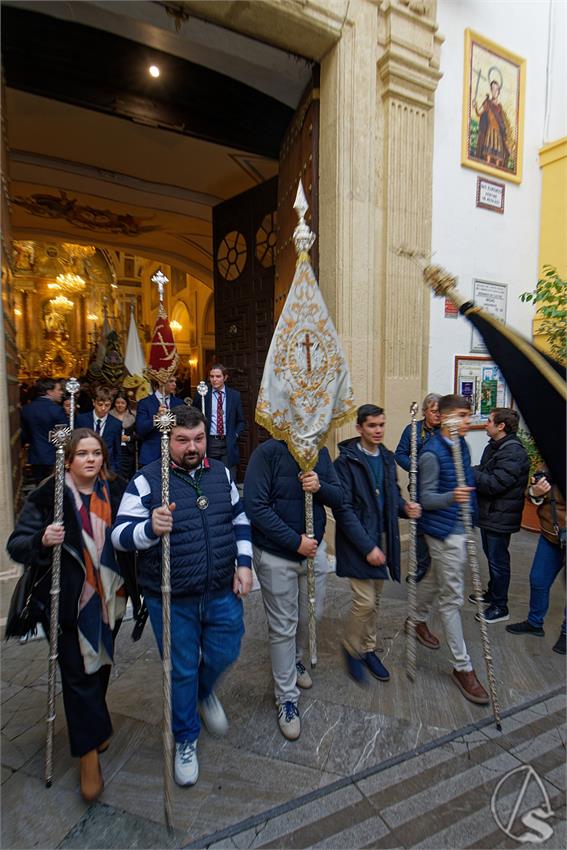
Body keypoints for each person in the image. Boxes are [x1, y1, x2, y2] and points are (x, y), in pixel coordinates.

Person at [111, 406, 252, 787]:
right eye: (183, 440)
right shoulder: (145, 481)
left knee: (227, 650)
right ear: (167, 439)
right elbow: (118, 535)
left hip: (221, 587)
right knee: (182, 669)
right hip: (171, 596)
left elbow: (239, 520)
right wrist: (149, 528)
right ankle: (186, 739)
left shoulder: (221, 473)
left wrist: (244, 563)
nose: (193, 447)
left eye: (199, 438)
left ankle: (202, 695)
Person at [6, 430, 130, 802]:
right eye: (82, 454)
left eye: (96, 453)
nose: (90, 460)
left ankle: (97, 723)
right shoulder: (49, 495)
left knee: (101, 664)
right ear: (68, 460)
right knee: (77, 675)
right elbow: (17, 545)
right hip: (67, 602)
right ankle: (88, 756)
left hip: (112, 596)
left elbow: (132, 532)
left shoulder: (117, 490)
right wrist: (43, 540)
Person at [244, 438, 342, 741]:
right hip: (277, 555)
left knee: (310, 615)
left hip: (313, 553)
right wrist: (293, 541)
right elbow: (255, 507)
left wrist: (319, 487)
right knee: (283, 627)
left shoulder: (320, 452)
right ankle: (286, 698)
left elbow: (339, 496)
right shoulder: (267, 453)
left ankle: (296, 659)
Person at [333, 405, 421, 685]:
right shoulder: (345, 463)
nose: (379, 430)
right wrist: (367, 547)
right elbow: (343, 510)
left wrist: (406, 508)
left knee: (377, 601)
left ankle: (368, 649)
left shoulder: (386, 458)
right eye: (372, 425)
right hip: (358, 543)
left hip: (384, 538)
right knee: (365, 601)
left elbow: (391, 496)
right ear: (359, 428)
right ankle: (350, 648)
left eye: (382, 424)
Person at [413, 394, 490, 705]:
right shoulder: (431, 454)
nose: (467, 421)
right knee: (452, 598)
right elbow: (426, 499)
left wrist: (469, 515)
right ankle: (463, 666)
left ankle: (415, 617)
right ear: (444, 417)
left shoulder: (462, 445)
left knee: (435, 580)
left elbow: (467, 484)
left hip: (460, 527)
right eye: (462, 415)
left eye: (469, 416)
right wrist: (452, 498)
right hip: (443, 532)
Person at [470, 408, 530, 623]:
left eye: (489, 421)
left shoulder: (512, 452)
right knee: (492, 556)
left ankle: (500, 606)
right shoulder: (496, 446)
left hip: (500, 516)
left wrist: (470, 472)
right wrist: (475, 471)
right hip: (492, 513)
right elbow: (486, 471)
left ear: (501, 426)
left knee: (498, 561)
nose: (486, 424)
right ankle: (492, 593)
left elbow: (494, 484)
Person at [506, 471, 566, 654]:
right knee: (538, 579)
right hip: (551, 534)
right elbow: (530, 493)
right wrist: (536, 492)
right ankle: (534, 622)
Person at [395, 393, 441, 582]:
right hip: (418, 486)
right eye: (434, 411)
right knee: (419, 526)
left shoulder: (445, 432)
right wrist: (414, 466)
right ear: (424, 412)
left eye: (441, 412)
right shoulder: (412, 429)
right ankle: (422, 564)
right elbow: (400, 454)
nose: (438, 415)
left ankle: (441, 563)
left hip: (440, 487)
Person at [193, 364, 246, 481]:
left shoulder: (234, 395)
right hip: (210, 441)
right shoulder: (202, 394)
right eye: (212, 376)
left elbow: (241, 421)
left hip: (228, 442)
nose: (214, 379)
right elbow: (194, 416)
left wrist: (235, 435)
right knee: (210, 476)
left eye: (218, 376)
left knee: (228, 477)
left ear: (225, 378)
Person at [21, 377, 67, 484]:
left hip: (35, 456)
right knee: (54, 489)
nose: (61, 393)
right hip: (54, 457)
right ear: (49, 392)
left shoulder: (27, 409)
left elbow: (24, 435)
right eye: (59, 390)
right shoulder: (57, 410)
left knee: (39, 487)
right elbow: (64, 436)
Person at [136, 377, 184, 466]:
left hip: (175, 454)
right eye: (171, 381)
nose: (175, 384)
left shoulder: (180, 403)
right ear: (161, 382)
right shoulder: (145, 403)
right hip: (151, 454)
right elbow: (140, 429)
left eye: (175, 381)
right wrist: (157, 417)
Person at [76, 388, 122, 474]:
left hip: (107, 468)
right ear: (93, 402)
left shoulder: (116, 424)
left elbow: (117, 450)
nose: (103, 408)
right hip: (84, 465)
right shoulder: (81, 419)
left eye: (107, 405)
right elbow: (76, 444)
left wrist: (115, 470)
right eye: (100, 404)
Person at [474, 80, 511, 169]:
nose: (494, 91)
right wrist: (475, 106)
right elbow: (479, 112)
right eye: (493, 89)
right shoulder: (487, 103)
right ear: (491, 90)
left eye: (496, 89)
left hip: (498, 136)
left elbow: (503, 123)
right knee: (488, 157)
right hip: (490, 134)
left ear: (498, 92)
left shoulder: (500, 107)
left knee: (499, 159)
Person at [109, 391, 137, 479]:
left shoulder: (133, 416)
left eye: (122, 403)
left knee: (127, 477)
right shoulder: (109, 415)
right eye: (117, 403)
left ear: (126, 404)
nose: (120, 405)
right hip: (113, 451)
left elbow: (140, 434)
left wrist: (129, 438)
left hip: (128, 452)